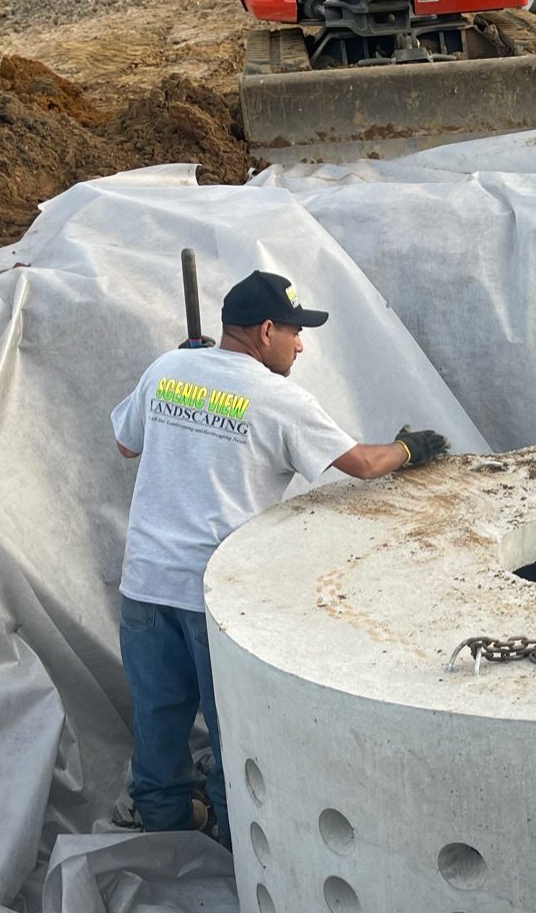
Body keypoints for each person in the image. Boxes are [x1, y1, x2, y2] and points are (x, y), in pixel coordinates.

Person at [111, 268, 449, 844]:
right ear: (266, 331)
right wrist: (410, 447)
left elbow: (125, 444)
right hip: (212, 595)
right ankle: (233, 843)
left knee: (157, 720)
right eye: (295, 332)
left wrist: (184, 391)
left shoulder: (168, 369)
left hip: (144, 584)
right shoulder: (278, 399)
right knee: (233, 729)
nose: (301, 345)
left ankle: (166, 827)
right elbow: (363, 465)